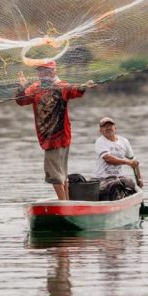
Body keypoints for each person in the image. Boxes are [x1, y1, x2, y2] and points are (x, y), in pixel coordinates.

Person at [16, 61, 95, 200]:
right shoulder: (35, 88)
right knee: (60, 174)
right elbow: (21, 101)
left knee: (55, 174)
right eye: (40, 71)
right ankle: (66, 202)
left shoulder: (61, 86)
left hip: (59, 136)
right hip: (49, 137)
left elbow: (75, 90)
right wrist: (21, 86)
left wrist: (84, 86)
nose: (42, 74)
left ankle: (64, 204)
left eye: (46, 71)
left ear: (53, 71)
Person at [93, 117, 143, 201]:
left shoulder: (124, 141)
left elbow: (134, 162)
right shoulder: (100, 141)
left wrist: (139, 179)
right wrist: (127, 162)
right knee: (113, 186)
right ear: (100, 130)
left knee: (130, 183)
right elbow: (108, 159)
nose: (108, 128)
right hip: (102, 178)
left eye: (110, 125)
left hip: (119, 177)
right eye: (105, 126)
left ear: (115, 128)